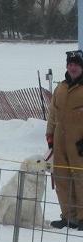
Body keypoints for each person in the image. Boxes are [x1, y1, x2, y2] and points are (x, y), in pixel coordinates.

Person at [46, 49, 83, 230]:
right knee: (62, 178)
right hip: (60, 142)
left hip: (79, 143)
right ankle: (69, 217)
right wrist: (50, 135)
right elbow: (53, 114)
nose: (72, 67)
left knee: (81, 178)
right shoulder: (60, 88)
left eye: (76, 64)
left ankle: (82, 218)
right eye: (70, 64)